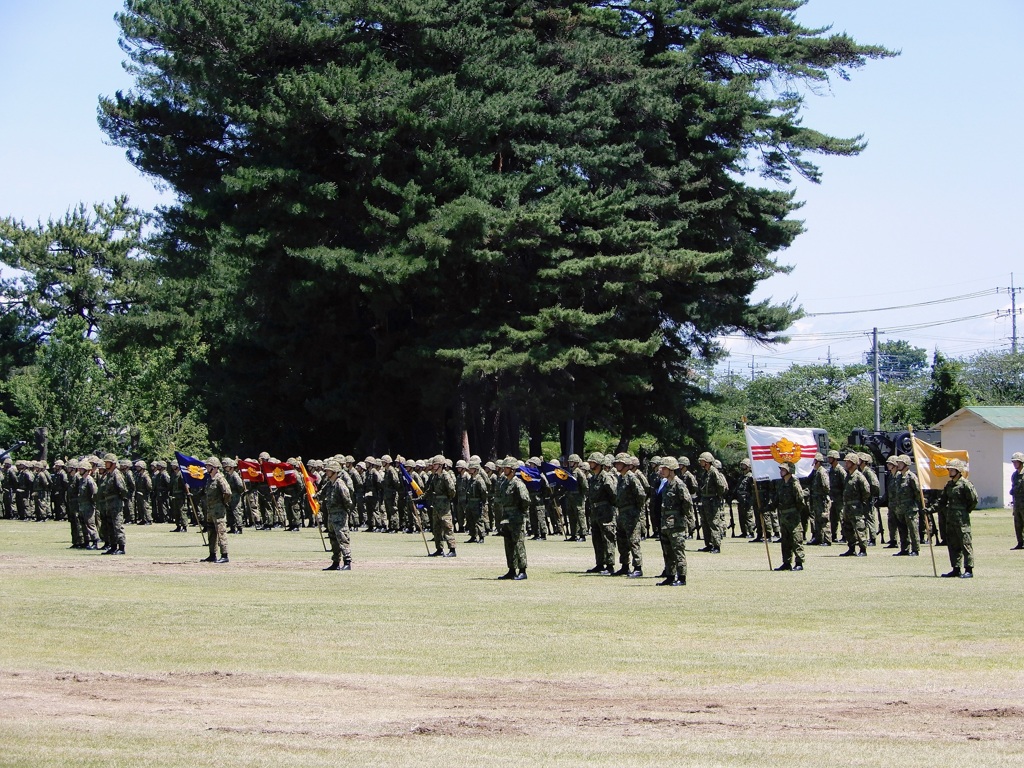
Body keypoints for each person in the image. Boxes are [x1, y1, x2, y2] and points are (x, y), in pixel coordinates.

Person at [928, 458, 978, 578]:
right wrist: (930, 510)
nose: (949, 471)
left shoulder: (965, 484)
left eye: (952, 469)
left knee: (965, 544)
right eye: (949, 469)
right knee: (952, 544)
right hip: (950, 519)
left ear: (958, 470)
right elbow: (942, 501)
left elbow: (973, 500)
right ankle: (956, 568)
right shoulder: (949, 485)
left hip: (962, 520)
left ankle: (968, 569)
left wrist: (965, 511)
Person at [657, 457, 694, 586]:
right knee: (668, 552)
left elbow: (687, 502)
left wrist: (681, 516)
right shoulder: (666, 484)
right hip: (666, 523)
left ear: (671, 469)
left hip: (677, 523)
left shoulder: (679, 484)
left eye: (664, 468)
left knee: (678, 551)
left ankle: (682, 577)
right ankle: (670, 575)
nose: (661, 471)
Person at [494, 458, 531, 580]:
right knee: (508, 544)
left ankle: (522, 570)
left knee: (518, 544)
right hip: (506, 517)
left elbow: (525, 500)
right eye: (504, 467)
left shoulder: (518, 483)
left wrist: (519, 512)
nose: (504, 469)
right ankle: (511, 569)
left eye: (507, 467)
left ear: (513, 469)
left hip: (516, 518)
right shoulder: (504, 483)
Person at [612, 452, 647, 577]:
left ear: (626, 464)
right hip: (621, 513)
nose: (617, 465)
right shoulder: (621, 478)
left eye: (619, 463)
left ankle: (637, 567)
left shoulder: (631, 477)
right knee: (621, 540)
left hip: (631, 513)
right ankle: (624, 565)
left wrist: (636, 509)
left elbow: (641, 494)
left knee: (633, 540)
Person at [585, 452, 617, 574]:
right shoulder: (593, 478)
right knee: (596, 538)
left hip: (605, 512)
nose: (590, 464)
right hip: (595, 512)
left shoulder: (606, 477)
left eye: (592, 462)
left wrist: (610, 508)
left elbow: (613, 494)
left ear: (598, 463)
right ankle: (600, 563)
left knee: (607, 537)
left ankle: (609, 565)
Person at [775, 462, 809, 571]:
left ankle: (799, 562)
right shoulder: (781, 484)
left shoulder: (794, 483)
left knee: (796, 538)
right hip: (783, 515)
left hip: (793, 515)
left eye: (783, 470)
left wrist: (795, 511)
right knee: (785, 540)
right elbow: (777, 499)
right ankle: (786, 562)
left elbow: (800, 500)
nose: (781, 471)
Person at [320, 460, 354, 570]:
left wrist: (344, 512)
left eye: (329, 470)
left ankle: (347, 561)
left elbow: (348, 501)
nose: (326, 472)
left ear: (334, 471)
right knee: (333, 539)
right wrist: (313, 497)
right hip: (331, 515)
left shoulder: (340, 484)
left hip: (340, 515)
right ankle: (335, 562)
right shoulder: (329, 483)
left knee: (342, 538)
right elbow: (321, 493)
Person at [425, 455, 457, 557]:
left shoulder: (445, 476)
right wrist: (420, 498)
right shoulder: (435, 477)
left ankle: (452, 549)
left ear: (441, 465)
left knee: (447, 527)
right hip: (436, 506)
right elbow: (429, 490)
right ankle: (439, 549)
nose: (434, 466)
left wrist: (446, 499)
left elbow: (452, 490)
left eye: (436, 464)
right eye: (433, 464)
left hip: (444, 506)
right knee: (436, 528)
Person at [839, 453, 870, 557]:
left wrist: (860, 502)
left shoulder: (859, 476)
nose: (846, 463)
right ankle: (851, 548)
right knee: (847, 528)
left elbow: (866, 491)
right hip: (847, 507)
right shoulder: (848, 476)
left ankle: (863, 549)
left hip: (856, 507)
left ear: (854, 463)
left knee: (859, 527)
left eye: (848, 462)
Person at [98, 453, 129, 555]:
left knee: (117, 525)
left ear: (113, 464)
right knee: (110, 525)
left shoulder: (117, 474)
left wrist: (120, 499)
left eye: (108, 462)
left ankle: (121, 547)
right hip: (109, 503)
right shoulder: (109, 474)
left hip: (115, 502)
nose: (106, 464)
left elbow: (123, 489)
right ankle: (113, 546)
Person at [697, 452, 727, 553]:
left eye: (702, 461)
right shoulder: (705, 473)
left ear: (707, 462)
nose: (700, 462)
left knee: (714, 523)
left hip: (712, 500)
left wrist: (716, 496)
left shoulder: (714, 472)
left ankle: (716, 545)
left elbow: (721, 486)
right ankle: (708, 544)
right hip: (705, 500)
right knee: (705, 522)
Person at [202, 457, 231, 563]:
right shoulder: (210, 479)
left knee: (221, 532)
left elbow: (227, 492)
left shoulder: (220, 478)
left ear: (214, 467)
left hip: (218, 510)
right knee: (211, 531)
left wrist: (223, 502)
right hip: (210, 510)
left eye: (208, 466)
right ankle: (212, 554)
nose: (206, 467)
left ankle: (224, 555)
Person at [891, 455, 921, 557]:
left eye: (900, 463)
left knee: (913, 529)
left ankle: (915, 549)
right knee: (902, 530)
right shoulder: (898, 477)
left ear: (906, 464)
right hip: (900, 508)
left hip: (910, 508)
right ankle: (904, 548)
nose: (898, 464)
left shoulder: (911, 477)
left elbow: (917, 492)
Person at [808, 453, 831, 546]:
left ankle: (827, 539)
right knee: (817, 519)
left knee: (824, 519)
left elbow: (826, 486)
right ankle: (818, 538)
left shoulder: (822, 472)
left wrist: (822, 495)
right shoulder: (817, 472)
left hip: (821, 499)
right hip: (816, 499)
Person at [826, 450, 847, 543]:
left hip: (840, 498)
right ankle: (833, 535)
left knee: (842, 517)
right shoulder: (831, 469)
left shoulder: (840, 470)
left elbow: (845, 484)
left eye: (830, 458)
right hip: (833, 497)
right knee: (833, 518)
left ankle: (845, 535)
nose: (829, 459)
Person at [1010, 452, 1024, 550]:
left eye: (1016, 462)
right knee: (1018, 524)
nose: (1014, 464)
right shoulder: (1014, 475)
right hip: (1017, 504)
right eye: (1013, 462)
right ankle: (1020, 543)